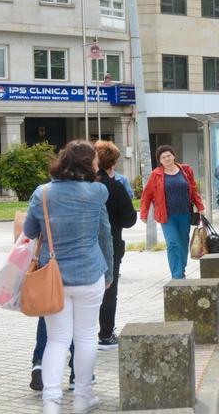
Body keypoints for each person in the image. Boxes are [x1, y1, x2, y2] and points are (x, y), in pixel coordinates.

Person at [23, 140, 114, 414]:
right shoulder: (98, 192)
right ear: (89, 163)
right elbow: (105, 234)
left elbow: (29, 231)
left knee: (57, 339)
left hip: (54, 277)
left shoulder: (44, 193)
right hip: (90, 274)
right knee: (86, 337)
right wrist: (109, 271)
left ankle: (51, 402)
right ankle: (83, 397)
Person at [94, 140, 137, 349]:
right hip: (111, 243)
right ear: (113, 163)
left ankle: (75, 338)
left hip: (84, 246)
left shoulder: (84, 185)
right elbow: (130, 220)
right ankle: (106, 334)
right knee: (109, 288)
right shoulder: (115, 186)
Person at [139, 145, 205, 279]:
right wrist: (144, 214)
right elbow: (147, 195)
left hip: (185, 214)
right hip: (167, 216)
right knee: (172, 243)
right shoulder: (156, 174)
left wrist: (200, 206)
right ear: (160, 161)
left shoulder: (185, 170)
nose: (167, 158)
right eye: (163, 157)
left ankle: (181, 269)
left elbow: (193, 190)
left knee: (182, 244)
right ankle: (177, 275)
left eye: (169, 155)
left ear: (174, 156)